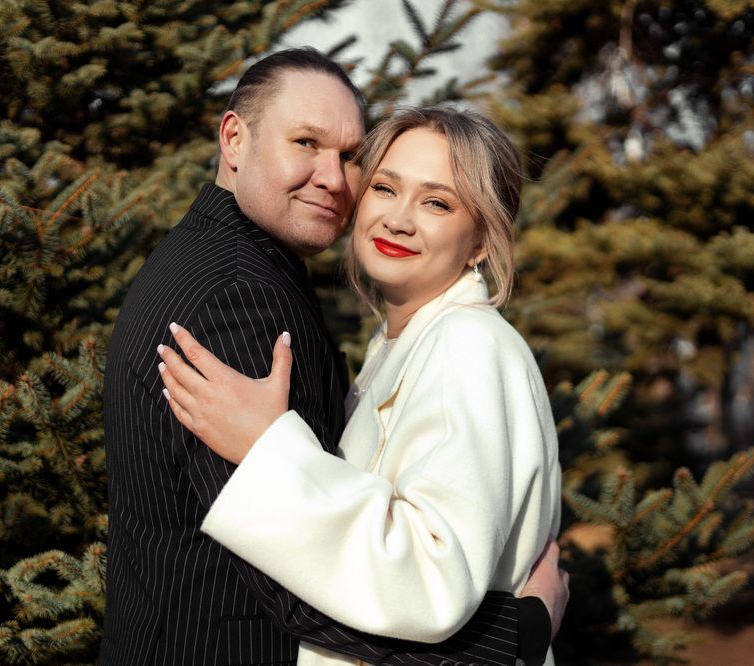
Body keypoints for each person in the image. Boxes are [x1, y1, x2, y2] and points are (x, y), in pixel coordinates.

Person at [101, 47, 567, 666]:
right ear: (234, 139)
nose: (334, 179)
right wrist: (520, 632)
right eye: (385, 187)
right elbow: (287, 582)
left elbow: (417, 576)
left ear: (481, 239)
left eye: (436, 202)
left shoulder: (467, 345)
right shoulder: (236, 293)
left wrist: (267, 450)